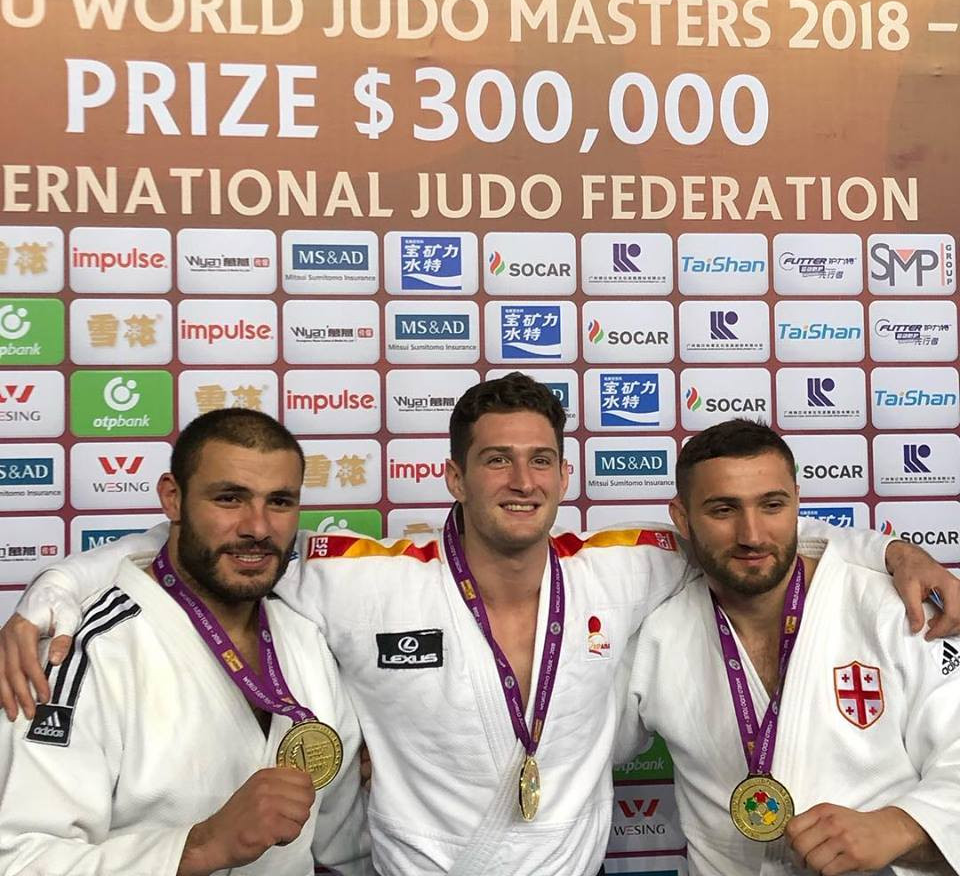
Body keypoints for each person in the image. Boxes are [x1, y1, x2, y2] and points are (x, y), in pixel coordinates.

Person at [1, 375, 958, 876]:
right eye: (496, 460)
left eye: (541, 460)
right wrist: (57, 588)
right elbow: (227, 547)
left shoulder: (625, 568)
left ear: (564, 476)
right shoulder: (363, 577)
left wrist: (889, 549)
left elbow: (750, 536)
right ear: (453, 477)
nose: (522, 481)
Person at [0, 408, 370, 876]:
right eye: (230, 498)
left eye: (279, 502)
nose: (258, 527)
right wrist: (199, 847)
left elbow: (343, 852)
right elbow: (20, 859)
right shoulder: (85, 652)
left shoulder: (307, 639)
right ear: (173, 499)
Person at [627, 419, 960, 876]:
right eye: (723, 510)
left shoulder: (894, 609)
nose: (752, 534)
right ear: (682, 517)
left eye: (772, 505)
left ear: (797, 503)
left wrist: (902, 826)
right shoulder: (656, 632)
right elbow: (575, 746)